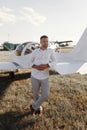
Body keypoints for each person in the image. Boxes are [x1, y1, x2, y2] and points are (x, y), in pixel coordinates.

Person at [30, 35, 56, 114]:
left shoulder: (50, 51)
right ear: (40, 42)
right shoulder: (35, 52)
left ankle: (34, 106)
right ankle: (38, 108)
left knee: (46, 94)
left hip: (45, 76)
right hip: (34, 75)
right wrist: (36, 67)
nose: (46, 43)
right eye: (44, 41)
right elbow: (30, 62)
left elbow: (55, 61)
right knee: (36, 94)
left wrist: (47, 65)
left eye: (47, 41)